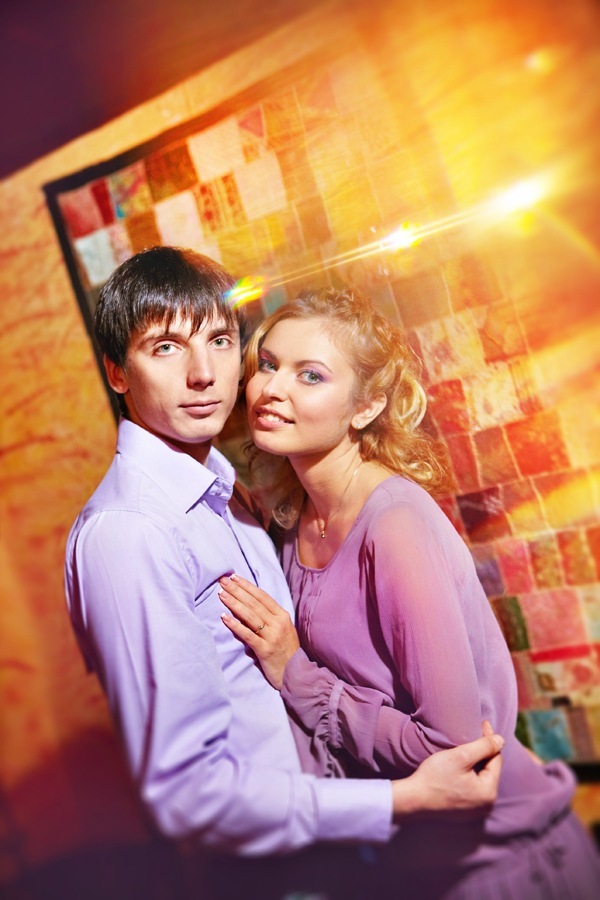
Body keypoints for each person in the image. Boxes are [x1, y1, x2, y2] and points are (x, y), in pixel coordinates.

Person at [65, 248, 505, 899]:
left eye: (220, 341)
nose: (202, 374)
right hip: (278, 876)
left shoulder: (232, 498)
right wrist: (398, 801)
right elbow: (186, 795)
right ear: (116, 372)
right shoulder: (129, 532)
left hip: (354, 860)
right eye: (165, 348)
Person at [218, 286, 600, 898]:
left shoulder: (394, 524)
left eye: (310, 375)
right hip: (413, 868)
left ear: (366, 406)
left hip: (505, 866)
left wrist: (296, 675)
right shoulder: (294, 524)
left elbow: (455, 750)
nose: (272, 388)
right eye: (268, 364)